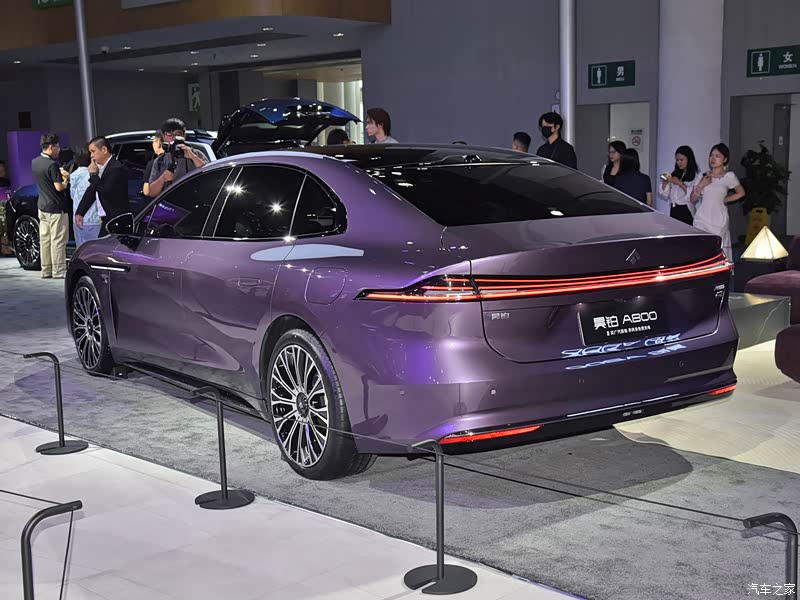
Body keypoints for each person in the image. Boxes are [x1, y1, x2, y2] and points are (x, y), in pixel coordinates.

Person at [691, 143, 746, 261]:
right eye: (711, 155)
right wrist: (700, 186)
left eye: (717, 156)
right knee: (701, 249)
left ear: (725, 159)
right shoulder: (703, 176)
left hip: (718, 218)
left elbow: (741, 193)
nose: (713, 159)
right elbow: (692, 199)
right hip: (702, 217)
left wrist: (724, 200)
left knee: (718, 250)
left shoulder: (728, 177)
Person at [32, 134, 69, 279]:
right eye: (57, 147)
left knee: (45, 240)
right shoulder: (52, 165)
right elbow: (59, 187)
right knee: (58, 240)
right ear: (51, 147)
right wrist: (66, 179)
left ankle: (46, 270)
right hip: (56, 208)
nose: (59, 150)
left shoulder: (35, 162)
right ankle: (59, 271)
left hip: (42, 206)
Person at [75, 136, 128, 235]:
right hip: (107, 219)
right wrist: (80, 212)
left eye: (93, 151)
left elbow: (105, 192)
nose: (91, 156)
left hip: (116, 219)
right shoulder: (100, 168)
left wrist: (94, 175)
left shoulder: (116, 168)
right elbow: (92, 190)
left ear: (104, 150)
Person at [147, 117, 207, 197]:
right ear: (164, 136)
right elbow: (151, 193)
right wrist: (163, 178)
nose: (173, 138)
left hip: (195, 200)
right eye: (169, 134)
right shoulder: (160, 161)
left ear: (184, 135)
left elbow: (210, 174)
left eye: (178, 134)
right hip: (170, 202)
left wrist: (193, 156)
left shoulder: (196, 154)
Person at [658, 145, 700, 225]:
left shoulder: (696, 176)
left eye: (682, 160)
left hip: (686, 210)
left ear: (689, 159)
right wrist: (665, 183)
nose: (679, 162)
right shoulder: (675, 174)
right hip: (673, 210)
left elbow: (694, 197)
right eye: (677, 160)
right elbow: (665, 196)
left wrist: (680, 183)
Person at [69, 147, 101, 246]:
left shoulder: (73, 175)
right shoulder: (95, 174)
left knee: (81, 249)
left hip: (78, 218)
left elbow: (72, 196)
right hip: (94, 218)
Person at [142, 132, 165, 196]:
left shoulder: (153, 164)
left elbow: (146, 191)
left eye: (153, 142)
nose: (152, 144)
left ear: (158, 144)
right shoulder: (176, 159)